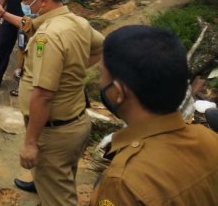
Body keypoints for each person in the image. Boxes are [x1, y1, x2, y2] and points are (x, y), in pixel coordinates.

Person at [90, 25, 218, 205]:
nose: (100, 83)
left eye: (102, 74)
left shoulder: (123, 183)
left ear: (118, 92)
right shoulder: (211, 140)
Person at [17, 0, 103, 206]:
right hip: (75, 123)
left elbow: (43, 95)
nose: (24, 4)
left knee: (59, 197)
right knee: (59, 183)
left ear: (42, 0)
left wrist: (31, 143)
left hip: (53, 134)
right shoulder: (78, 22)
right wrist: (72, 72)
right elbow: (101, 46)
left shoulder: (50, 36)